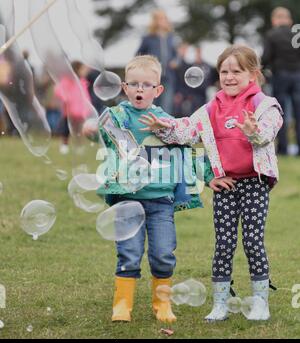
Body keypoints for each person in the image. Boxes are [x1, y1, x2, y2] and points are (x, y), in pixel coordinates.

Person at [140, 45, 283, 321]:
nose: (229, 77)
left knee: (253, 242)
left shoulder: (265, 105)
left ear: (253, 74)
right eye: (224, 71)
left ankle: (260, 302)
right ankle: (220, 303)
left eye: (236, 71)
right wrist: (165, 127)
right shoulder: (211, 108)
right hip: (226, 186)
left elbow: (267, 132)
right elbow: (187, 130)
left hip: (255, 183)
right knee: (223, 244)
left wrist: (254, 132)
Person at [82, 55, 223, 323]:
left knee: (163, 252)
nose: (139, 89)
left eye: (147, 85)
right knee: (129, 252)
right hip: (127, 199)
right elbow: (97, 133)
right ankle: (122, 304)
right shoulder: (116, 117)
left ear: (158, 90)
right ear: (124, 88)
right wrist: (90, 129)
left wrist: (210, 174)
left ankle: (162, 304)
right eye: (134, 84)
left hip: (161, 201)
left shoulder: (166, 122)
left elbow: (188, 151)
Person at [262, 7, 300, 155]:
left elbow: (265, 58)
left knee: (280, 113)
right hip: (298, 76)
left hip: (280, 76)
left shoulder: (271, 35)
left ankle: (283, 148)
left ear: (274, 20)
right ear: (289, 21)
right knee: (299, 113)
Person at [136, 9, 178, 114]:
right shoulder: (148, 38)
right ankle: (149, 127)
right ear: (155, 21)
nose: (163, 21)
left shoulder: (171, 38)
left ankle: (164, 128)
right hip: (151, 78)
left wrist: (175, 61)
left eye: (164, 18)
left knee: (166, 106)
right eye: (160, 19)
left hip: (168, 77)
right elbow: (138, 55)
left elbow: (177, 56)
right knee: (151, 105)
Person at [55, 61, 91, 154]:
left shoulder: (83, 81)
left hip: (80, 112)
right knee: (66, 129)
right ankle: (64, 145)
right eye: (83, 69)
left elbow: (86, 96)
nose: (85, 71)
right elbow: (59, 90)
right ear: (77, 69)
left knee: (79, 130)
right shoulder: (67, 80)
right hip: (69, 111)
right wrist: (66, 98)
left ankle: (79, 146)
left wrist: (87, 107)